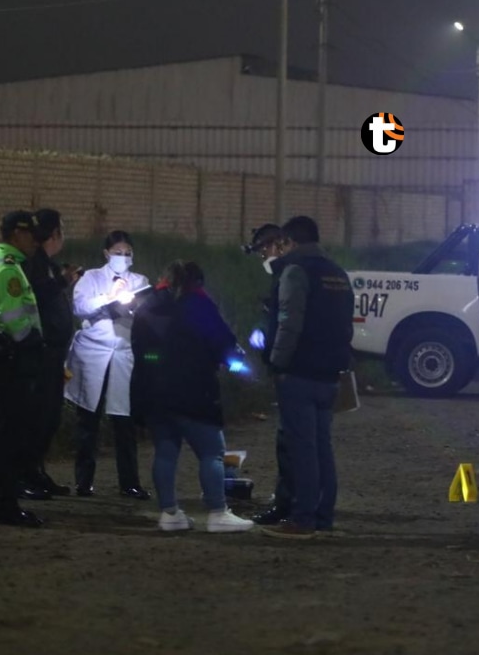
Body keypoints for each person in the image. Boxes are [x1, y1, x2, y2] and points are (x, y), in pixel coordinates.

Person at [131, 260, 254, 533]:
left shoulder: (147, 306)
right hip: (195, 391)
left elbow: (139, 350)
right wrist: (235, 359)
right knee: (212, 453)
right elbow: (223, 343)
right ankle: (217, 512)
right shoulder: (199, 305)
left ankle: (169, 513)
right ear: (197, 282)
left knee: (165, 452)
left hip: (155, 392)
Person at [261, 216, 355, 540]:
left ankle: (302, 518)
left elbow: (290, 323)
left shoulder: (296, 272)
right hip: (330, 373)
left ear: (290, 242)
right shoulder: (337, 273)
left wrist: (276, 362)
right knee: (321, 447)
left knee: (301, 448)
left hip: (299, 371)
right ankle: (323, 516)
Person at [64, 230, 151, 499]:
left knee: (123, 421)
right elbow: (80, 307)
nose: (123, 258)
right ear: (106, 254)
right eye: (117, 253)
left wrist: (133, 306)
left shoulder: (139, 280)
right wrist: (109, 298)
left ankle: (129, 483)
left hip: (124, 353)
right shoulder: (91, 278)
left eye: (127, 253)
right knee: (88, 419)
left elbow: (147, 312)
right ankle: (84, 482)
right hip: (93, 353)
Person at [0, 210, 46, 527]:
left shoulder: (2, 262)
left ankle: (0, 499)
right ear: (16, 234)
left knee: (4, 431)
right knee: (9, 433)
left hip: (3, 356)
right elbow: (17, 324)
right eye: (32, 234)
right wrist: (34, 344)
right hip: (11, 357)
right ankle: (2, 504)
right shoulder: (7, 270)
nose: (36, 240)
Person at [19, 209, 81, 498]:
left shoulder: (46, 263)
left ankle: (36, 471)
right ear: (53, 234)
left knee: (50, 415)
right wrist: (62, 282)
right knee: (37, 415)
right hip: (40, 351)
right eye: (62, 230)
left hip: (54, 351)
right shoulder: (33, 263)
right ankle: (25, 475)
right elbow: (36, 297)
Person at [244, 223, 296, 526]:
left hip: (292, 369)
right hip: (301, 368)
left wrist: (276, 358)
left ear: (278, 245)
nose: (264, 255)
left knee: (291, 441)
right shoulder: (294, 273)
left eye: (264, 249)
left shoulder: (290, 273)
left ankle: (289, 504)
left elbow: (288, 319)